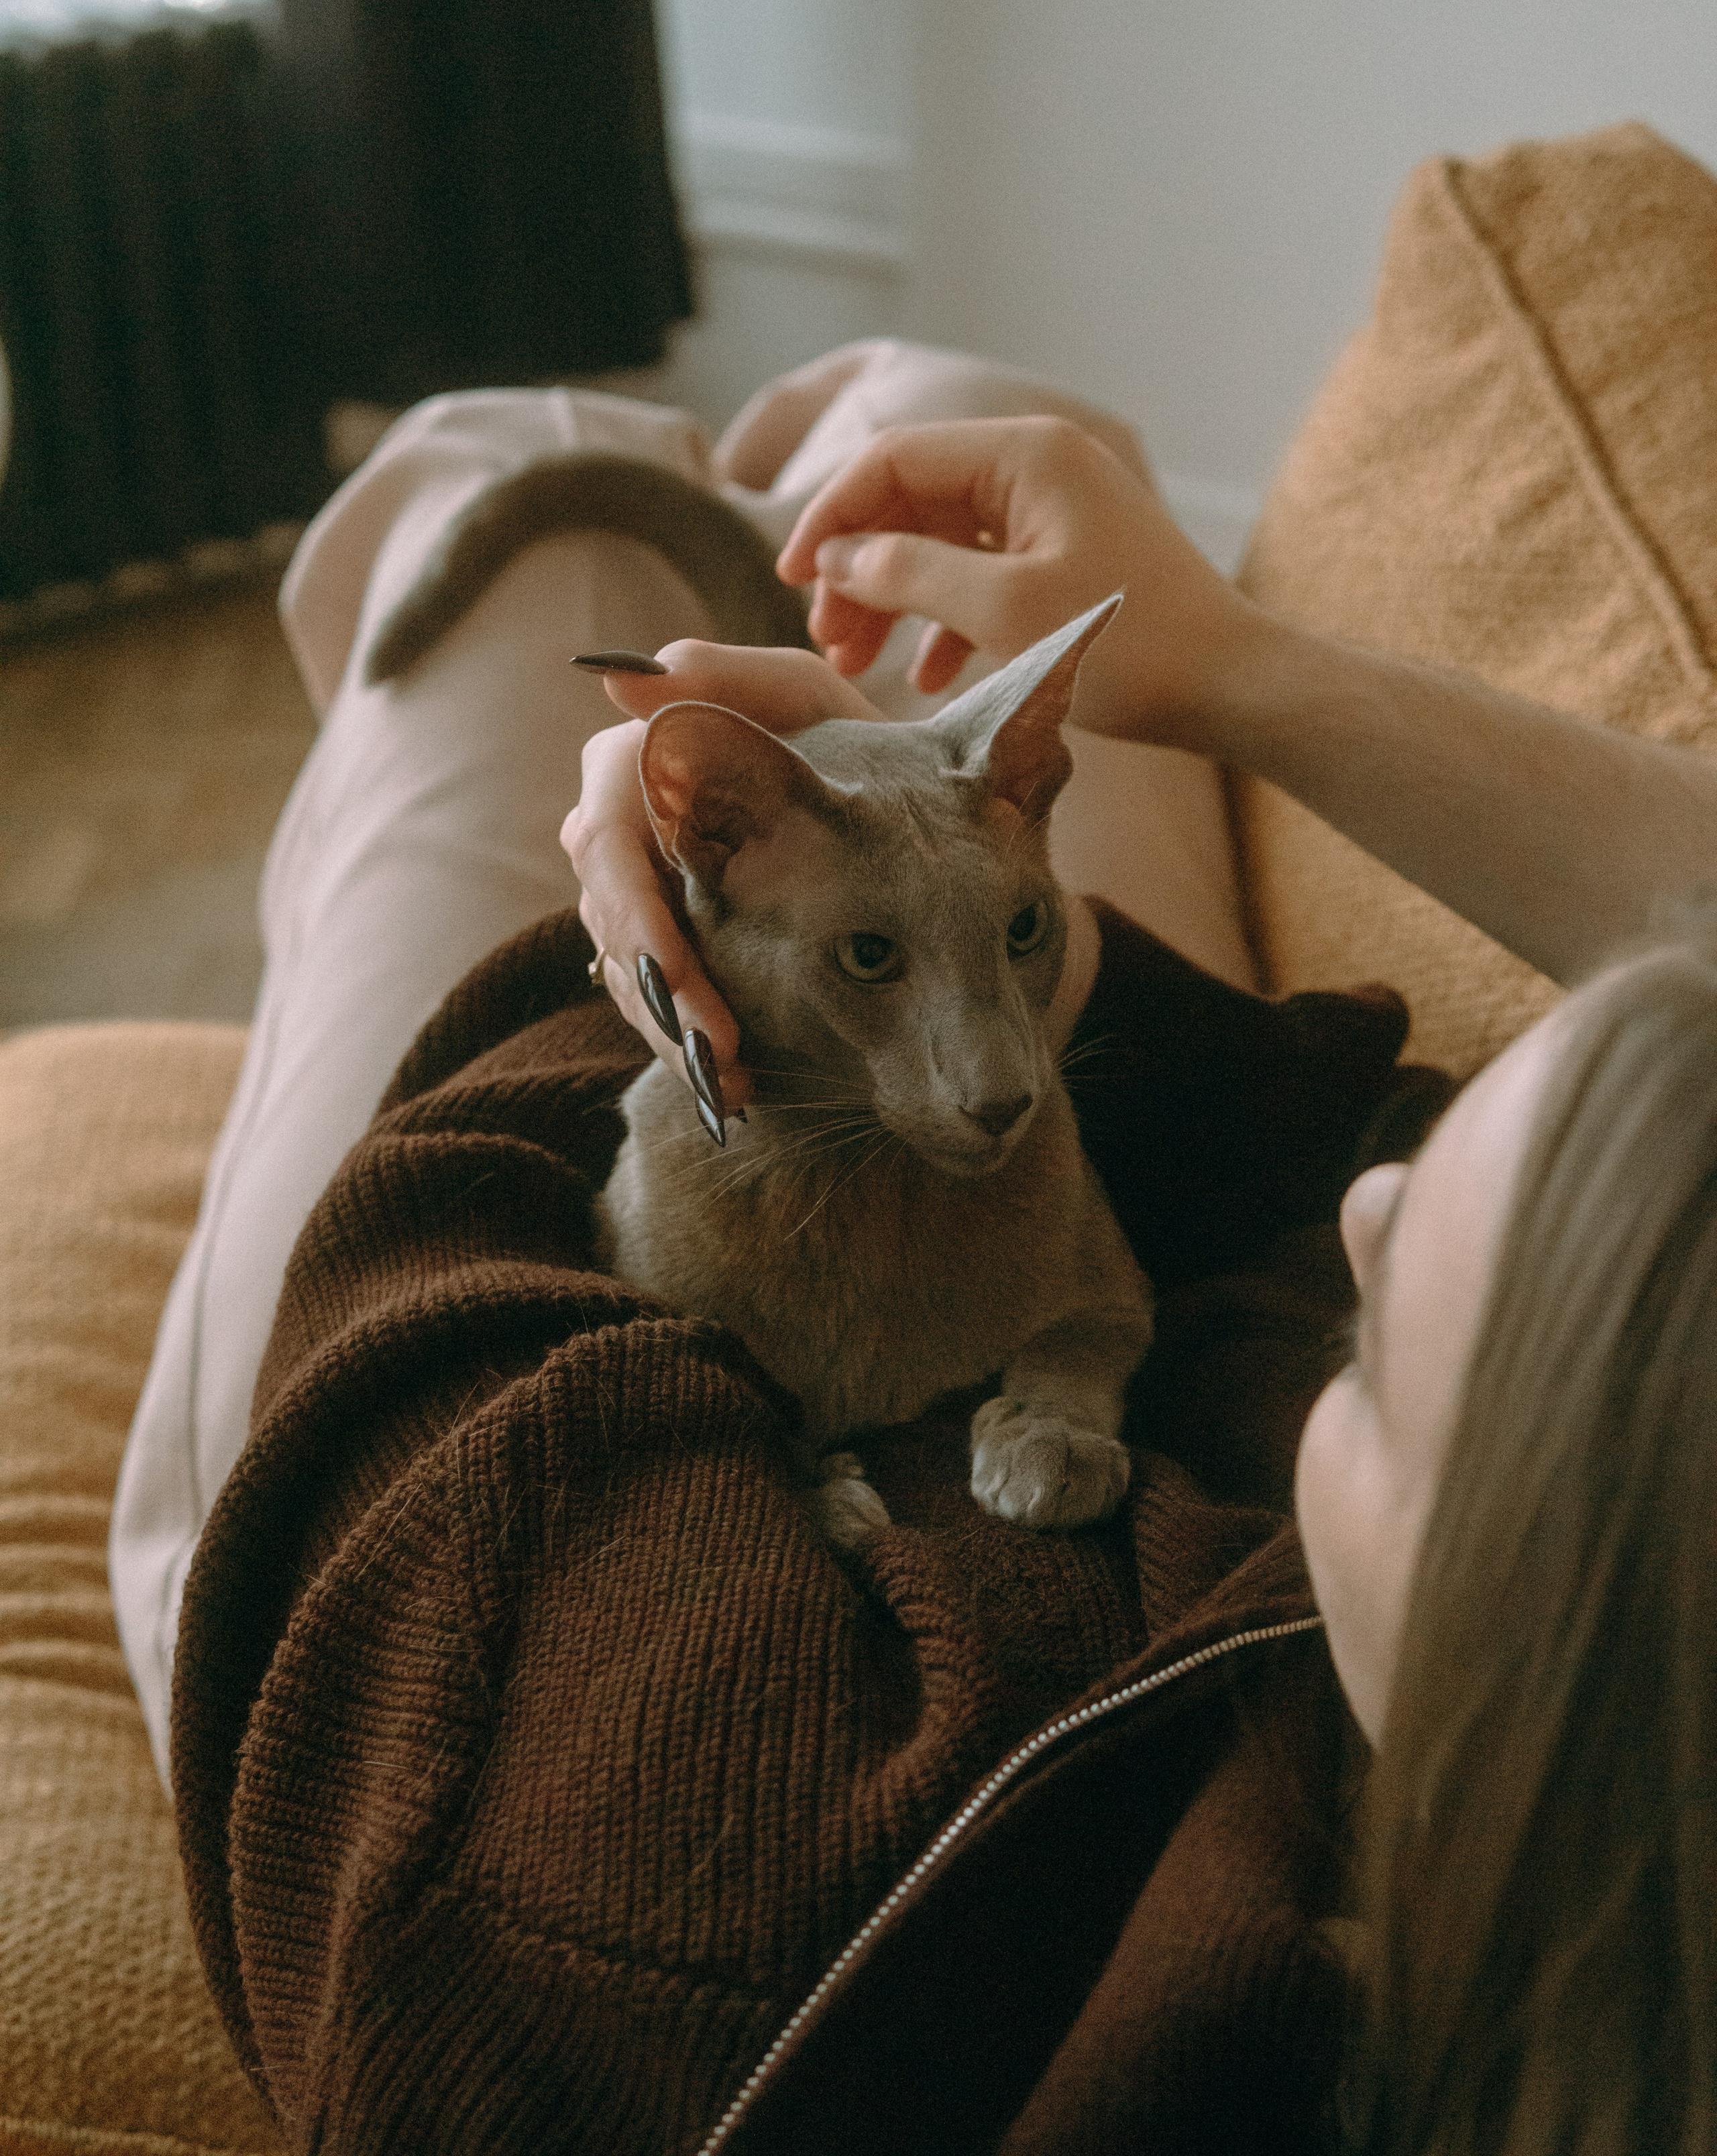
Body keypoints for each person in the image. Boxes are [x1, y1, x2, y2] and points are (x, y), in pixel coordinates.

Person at [135, 353, 1717, 2152]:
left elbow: (424, 1375)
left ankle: (689, 449)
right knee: (980, 442)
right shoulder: (1484, 1595)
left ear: (1535, 1599)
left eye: (1416, 1305)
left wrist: (695, 997)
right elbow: (1334, 1124)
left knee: (517, 475)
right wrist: (1223, 684)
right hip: (1019, 1105)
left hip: (393, 1459)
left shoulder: (710, 1945)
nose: (1376, 1203)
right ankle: (810, 451)